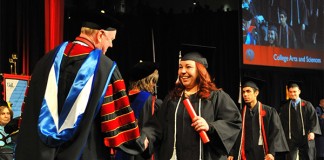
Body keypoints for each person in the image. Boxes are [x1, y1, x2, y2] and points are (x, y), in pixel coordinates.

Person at [15, 10, 143, 160]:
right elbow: (115, 127)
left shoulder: (45, 62)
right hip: (85, 154)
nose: (111, 45)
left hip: (41, 153)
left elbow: (28, 112)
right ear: (100, 35)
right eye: (110, 40)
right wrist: (140, 143)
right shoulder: (105, 69)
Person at [138, 52, 242, 159]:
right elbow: (156, 127)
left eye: (188, 67)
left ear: (200, 71)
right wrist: (146, 139)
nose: (183, 71)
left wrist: (210, 127)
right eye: (180, 67)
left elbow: (233, 121)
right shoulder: (172, 99)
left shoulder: (215, 97)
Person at [227, 77, 289, 160]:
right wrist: (231, 152)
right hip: (244, 154)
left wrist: (271, 152)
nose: (245, 94)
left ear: (256, 93)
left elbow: (275, 133)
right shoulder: (240, 114)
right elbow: (234, 135)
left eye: (248, 91)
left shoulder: (269, 112)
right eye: (243, 92)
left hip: (263, 154)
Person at [115, 61, 162, 160]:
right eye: (153, 81)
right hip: (142, 153)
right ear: (148, 81)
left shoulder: (121, 100)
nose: (154, 85)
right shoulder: (154, 103)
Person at [277, 81, 321, 160]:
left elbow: (313, 119)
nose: (292, 94)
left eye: (294, 91)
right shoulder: (285, 107)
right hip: (291, 137)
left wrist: (312, 132)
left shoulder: (307, 105)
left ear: (299, 92)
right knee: (290, 157)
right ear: (288, 93)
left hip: (306, 136)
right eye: (290, 92)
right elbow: (281, 123)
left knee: (308, 156)